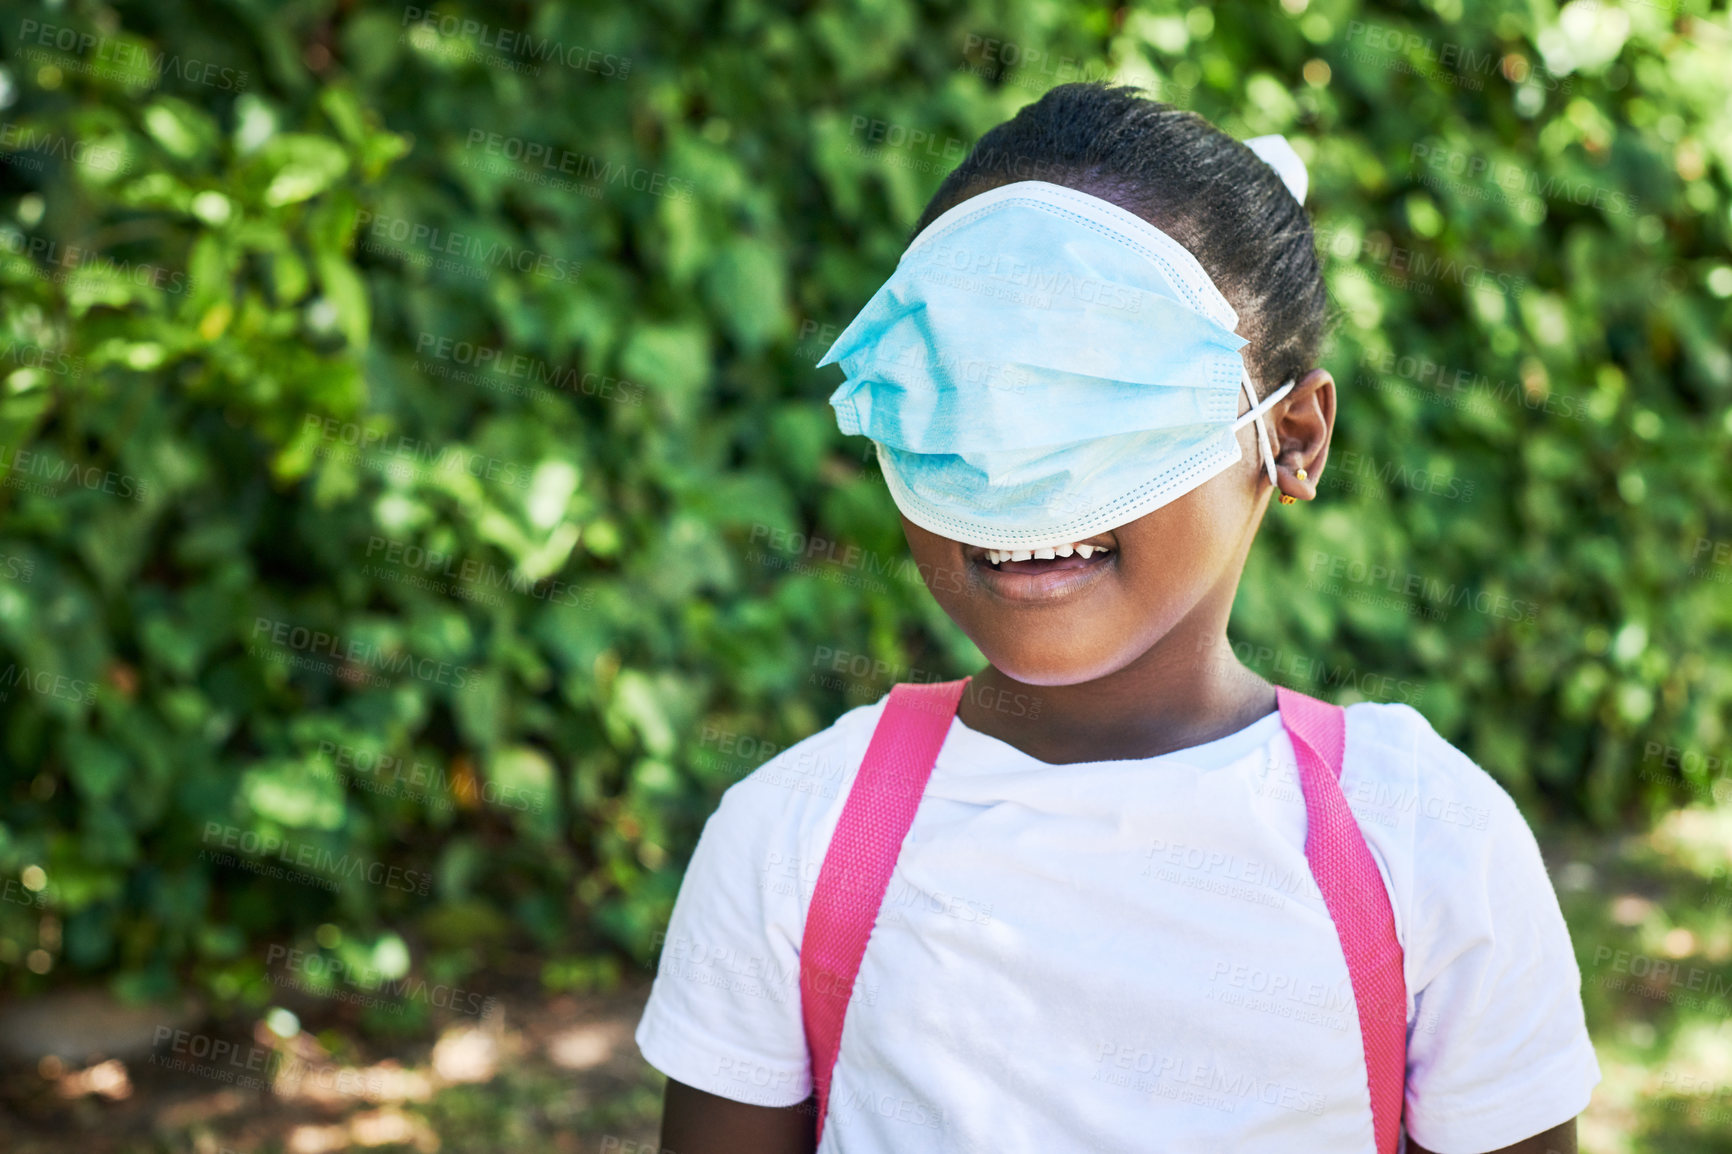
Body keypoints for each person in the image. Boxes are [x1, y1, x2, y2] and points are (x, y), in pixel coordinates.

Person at [633, 83, 1599, 1154]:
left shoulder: (1424, 839)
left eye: (1099, 391)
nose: (1010, 462)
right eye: (963, 388)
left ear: (1292, 438)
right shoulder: (793, 839)